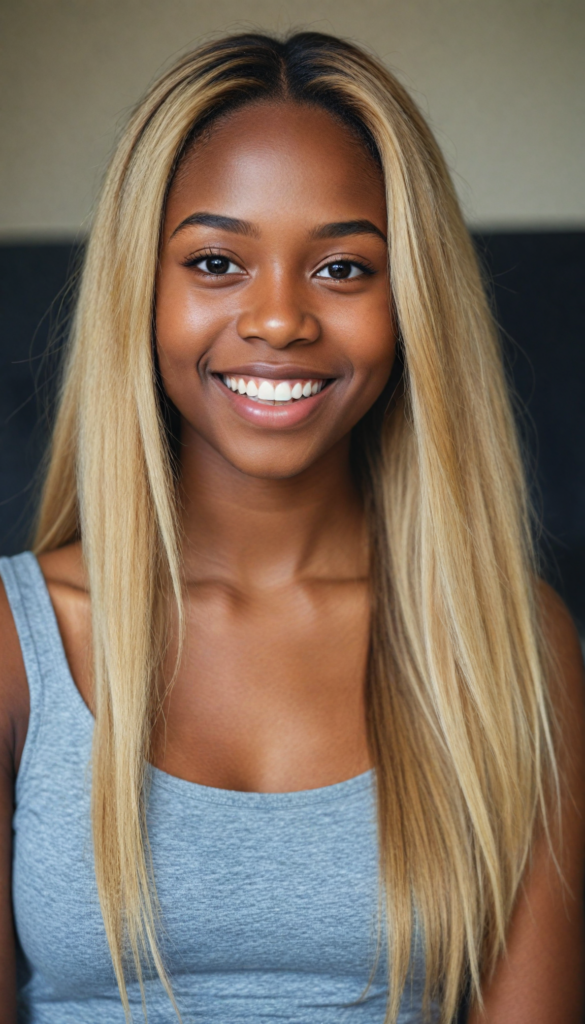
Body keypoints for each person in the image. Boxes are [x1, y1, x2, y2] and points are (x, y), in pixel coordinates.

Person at [0, 30, 583, 1024]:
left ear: (413, 302)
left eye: (344, 268)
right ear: (142, 288)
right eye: (216, 261)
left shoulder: (508, 639)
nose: (278, 319)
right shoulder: (20, 641)